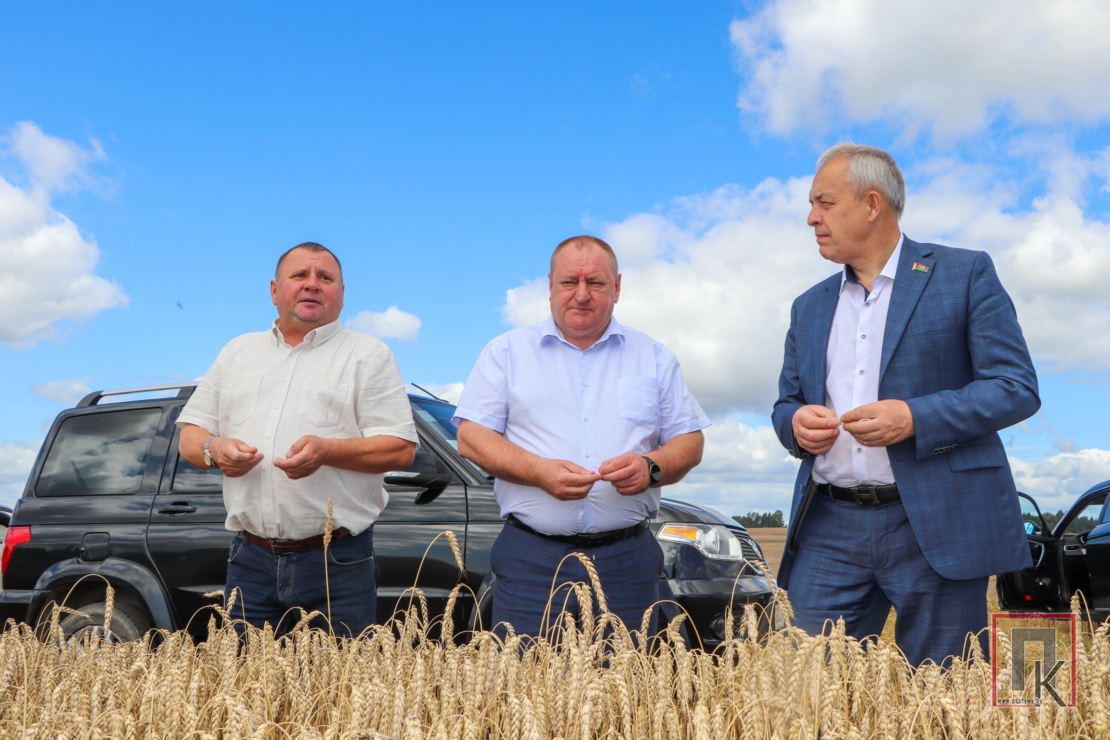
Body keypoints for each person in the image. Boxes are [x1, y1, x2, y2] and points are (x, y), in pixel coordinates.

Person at [772, 145, 1039, 666]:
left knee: (945, 691)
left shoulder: (965, 273)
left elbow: (1015, 386)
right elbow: (787, 404)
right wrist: (796, 423)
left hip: (937, 521)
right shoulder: (808, 306)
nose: (812, 218)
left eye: (825, 202)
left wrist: (915, 418)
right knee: (804, 690)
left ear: (872, 204)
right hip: (828, 525)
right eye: (812, 205)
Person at [453, 235, 709, 639]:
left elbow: (690, 442)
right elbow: (471, 438)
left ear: (617, 288)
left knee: (626, 676)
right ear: (550, 286)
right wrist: (538, 472)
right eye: (570, 282)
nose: (582, 294)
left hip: (627, 559)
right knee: (526, 675)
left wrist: (651, 468)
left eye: (596, 283)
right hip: (531, 557)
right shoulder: (506, 352)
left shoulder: (654, 357)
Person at [177, 242, 418, 637]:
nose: (312, 284)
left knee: (340, 677)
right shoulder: (237, 352)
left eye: (325, 277)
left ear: (342, 293)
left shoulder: (368, 355)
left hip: (337, 562)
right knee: (247, 675)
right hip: (248, 560)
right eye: (299, 275)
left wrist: (328, 451)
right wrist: (215, 449)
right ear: (274, 290)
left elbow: (401, 448)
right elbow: (190, 438)